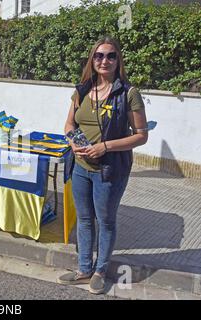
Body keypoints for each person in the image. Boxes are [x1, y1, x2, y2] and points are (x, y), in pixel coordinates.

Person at [58, 36, 148, 294]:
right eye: (99, 56)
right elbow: (69, 125)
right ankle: (84, 268)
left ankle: (101, 270)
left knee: (106, 221)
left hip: (110, 169)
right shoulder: (82, 89)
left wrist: (105, 146)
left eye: (110, 56)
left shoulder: (128, 93)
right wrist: (75, 143)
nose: (104, 60)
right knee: (85, 219)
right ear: (92, 60)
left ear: (118, 60)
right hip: (80, 167)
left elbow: (141, 135)